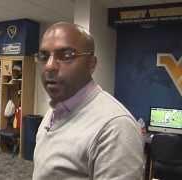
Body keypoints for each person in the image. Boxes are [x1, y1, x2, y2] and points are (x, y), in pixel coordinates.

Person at [32, 22, 144, 180]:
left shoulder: (115, 127)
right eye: (44, 56)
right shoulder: (55, 110)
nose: (49, 66)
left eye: (66, 55)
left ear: (91, 64)